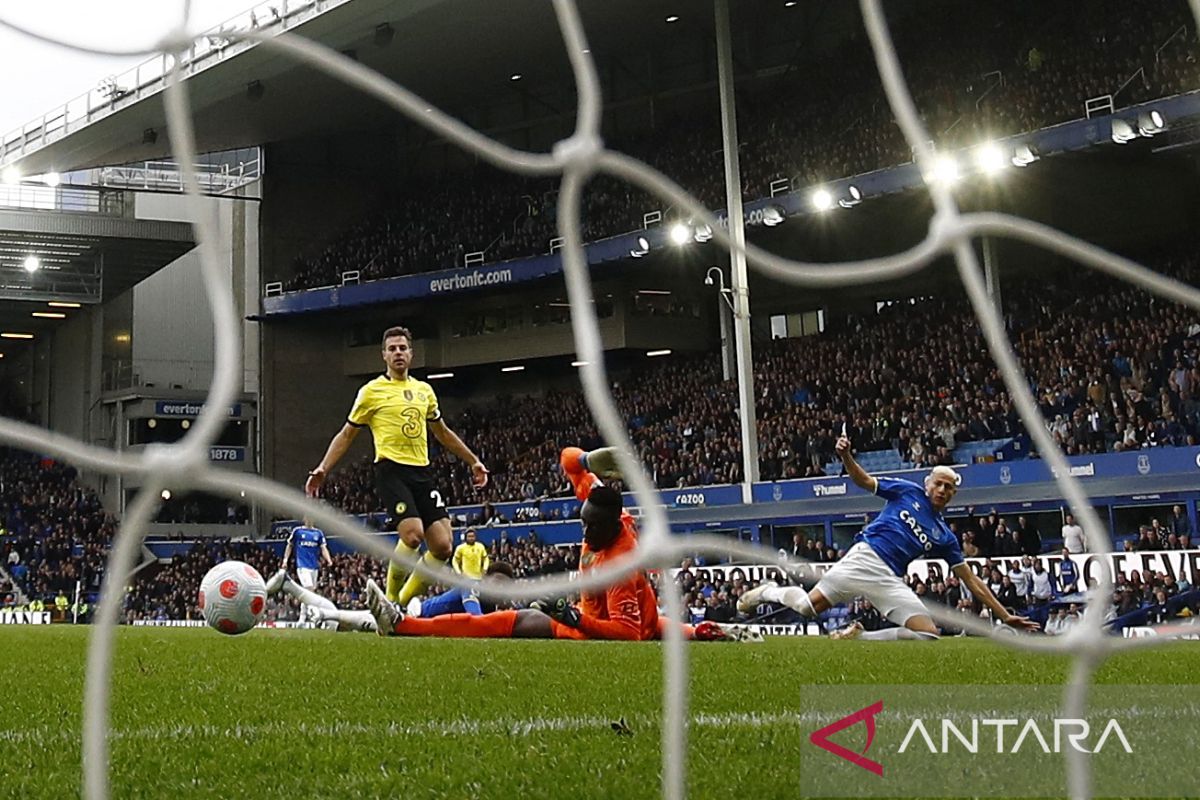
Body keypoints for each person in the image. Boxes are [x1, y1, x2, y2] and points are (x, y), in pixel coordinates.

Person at [364, 446, 758, 643]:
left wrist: (572, 619)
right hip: (622, 617)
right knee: (668, 628)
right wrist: (589, 458)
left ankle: (403, 625)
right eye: (582, 522)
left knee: (513, 622)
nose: (584, 533)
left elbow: (630, 635)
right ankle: (711, 631)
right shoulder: (604, 510)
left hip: (595, 626)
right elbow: (568, 460)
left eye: (590, 528)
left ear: (611, 528)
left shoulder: (621, 563)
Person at [737, 435, 1037, 640]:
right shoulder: (907, 491)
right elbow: (863, 480)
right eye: (939, 484)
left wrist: (1004, 615)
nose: (943, 490)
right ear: (928, 483)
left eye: (949, 488)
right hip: (863, 559)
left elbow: (971, 581)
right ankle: (768, 591)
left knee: (928, 634)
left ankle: (859, 637)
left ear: (954, 494)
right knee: (806, 608)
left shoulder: (945, 535)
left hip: (889, 578)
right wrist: (845, 456)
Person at [305, 326, 489, 607]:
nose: (398, 353)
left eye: (402, 348)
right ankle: (390, 597)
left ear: (411, 354)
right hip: (391, 470)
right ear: (384, 356)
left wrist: (473, 460)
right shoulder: (371, 392)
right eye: (392, 349)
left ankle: (399, 604)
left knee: (442, 546)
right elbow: (346, 435)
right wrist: (323, 469)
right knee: (413, 535)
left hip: (422, 473)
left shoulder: (423, 391)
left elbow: (442, 432)